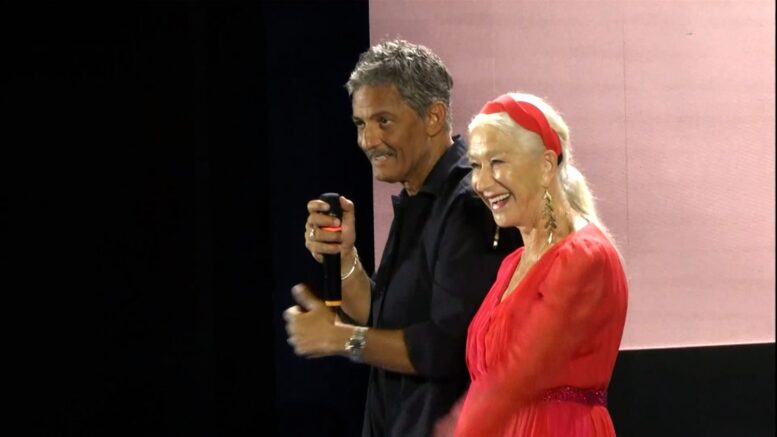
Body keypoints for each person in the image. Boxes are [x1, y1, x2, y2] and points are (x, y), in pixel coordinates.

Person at [283, 40, 522, 437]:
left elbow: (449, 347)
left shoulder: (469, 204)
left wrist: (342, 340)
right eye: (361, 124)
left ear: (433, 117)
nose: (368, 141)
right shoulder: (419, 197)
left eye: (384, 121)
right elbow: (381, 320)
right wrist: (344, 257)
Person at [436, 92, 628, 436]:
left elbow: (524, 368)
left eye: (497, 162)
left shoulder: (585, 256)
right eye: (476, 165)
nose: (480, 183)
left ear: (546, 166)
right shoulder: (512, 263)